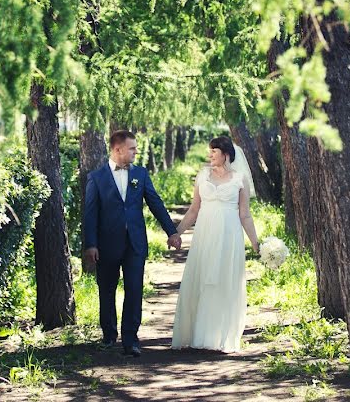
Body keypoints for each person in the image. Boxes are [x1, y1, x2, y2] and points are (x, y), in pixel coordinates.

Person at [82, 130, 182, 357]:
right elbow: (90, 214)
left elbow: (155, 203)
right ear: (118, 150)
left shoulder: (141, 174)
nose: (136, 151)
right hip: (106, 245)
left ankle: (131, 340)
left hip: (135, 243)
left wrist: (172, 232)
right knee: (106, 290)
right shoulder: (96, 178)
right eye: (132, 148)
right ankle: (108, 335)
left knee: (134, 290)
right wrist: (91, 244)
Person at [171, 135, 259, 352]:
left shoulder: (239, 179)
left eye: (214, 151)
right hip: (205, 234)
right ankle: (198, 334)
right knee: (202, 279)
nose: (209, 154)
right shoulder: (202, 176)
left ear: (226, 154)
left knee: (223, 281)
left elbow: (245, 215)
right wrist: (176, 233)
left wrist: (257, 244)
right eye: (209, 151)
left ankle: (219, 336)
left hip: (229, 235)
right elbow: (193, 210)